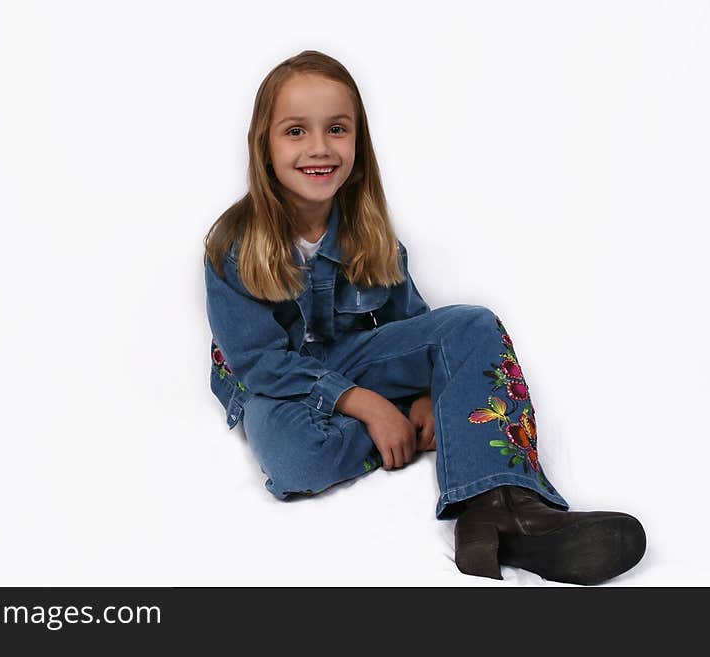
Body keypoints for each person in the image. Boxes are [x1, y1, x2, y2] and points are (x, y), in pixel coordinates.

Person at [203, 50, 646, 585]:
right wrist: (368, 405)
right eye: (296, 131)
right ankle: (436, 430)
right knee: (297, 461)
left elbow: (414, 329)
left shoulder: (370, 235)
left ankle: (500, 509)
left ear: (358, 146)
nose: (319, 148)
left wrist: (423, 394)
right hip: (274, 385)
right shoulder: (233, 244)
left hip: (351, 358)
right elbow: (258, 362)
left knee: (471, 326)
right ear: (265, 146)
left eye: (337, 129)